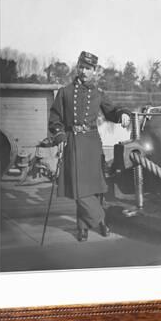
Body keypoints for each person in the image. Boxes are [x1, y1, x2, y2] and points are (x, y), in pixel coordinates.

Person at [48, 51, 131, 242]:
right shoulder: (65, 92)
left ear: (94, 71)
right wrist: (60, 137)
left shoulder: (98, 94)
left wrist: (123, 114)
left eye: (88, 68)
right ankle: (100, 220)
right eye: (82, 67)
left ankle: (83, 227)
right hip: (74, 142)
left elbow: (112, 112)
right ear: (78, 67)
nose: (84, 71)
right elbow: (55, 119)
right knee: (79, 187)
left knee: (93, 186)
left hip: (93, 143)